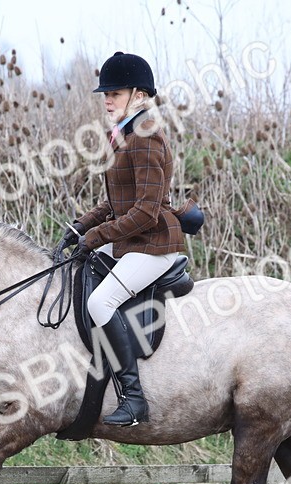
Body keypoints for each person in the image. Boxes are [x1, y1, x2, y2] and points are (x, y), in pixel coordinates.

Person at [55, 51, 186, 426]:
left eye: (115, 92)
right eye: (105, 93)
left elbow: (145, 211)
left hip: (153, 243)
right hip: (133, 239)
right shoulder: (126, 135)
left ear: (139, 96)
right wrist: (80, 227)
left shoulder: (145, 138)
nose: (107, 99)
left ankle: (133, 398)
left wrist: (95, 236)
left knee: (100, 303)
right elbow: (116, 203)